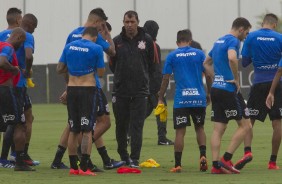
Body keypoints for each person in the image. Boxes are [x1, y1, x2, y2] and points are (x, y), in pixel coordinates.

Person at [51, 8, 124, 171]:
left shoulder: (72, 36)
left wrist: (68, 87)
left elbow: (63, 65)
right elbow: (112, 52)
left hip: (73, 86)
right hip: (91, 88)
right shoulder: (95, 39)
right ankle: (83, 156)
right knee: (101, 123)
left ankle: (59, 160)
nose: (102, 27)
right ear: (98, 23)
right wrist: (107, 34)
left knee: (74, 125)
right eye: (102, 25)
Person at [157, 29, 211, 173]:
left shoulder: (172, 56)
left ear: (177, 42)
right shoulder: (199, 54)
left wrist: (160, 97)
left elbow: (166, 78)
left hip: (181, 100)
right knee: (199, 128)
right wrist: (209, 93)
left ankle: (178, 164)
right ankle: (203, 156)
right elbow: (209, 75)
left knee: (180, 132)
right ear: (191, 41)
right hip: (198, 98)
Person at [203, 17, 252, 174]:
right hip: (228, 89)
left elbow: (205, 63)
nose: (246, 36)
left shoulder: (218, 41)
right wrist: (236, 79)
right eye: (246, 33)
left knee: (219, 129)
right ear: (241, 29)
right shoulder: (234, 41)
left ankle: (216, 166)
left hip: (216, 89)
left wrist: (217, 77)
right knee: (246, 126)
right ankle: (226, 158)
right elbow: (232, 57)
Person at [235, 13, 282, 170]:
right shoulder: (280, 38)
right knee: (277, 123)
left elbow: (245, 61)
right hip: (277, 85)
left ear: (263, 23)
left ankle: (247, 152)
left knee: (249, 121)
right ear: (274, 25)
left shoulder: (252, 36)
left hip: (259, 83)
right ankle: (272, 162)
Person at [109, 10, 155, 168]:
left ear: (138, 22)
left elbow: (151, 64)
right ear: (123, 23)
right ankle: (124, 156)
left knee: (137, 126)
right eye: (126, 22)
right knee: (121, 125)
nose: (129, 25)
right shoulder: (116, 40)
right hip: (120, 91)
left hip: (140, 91)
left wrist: (146, 82)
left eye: (132, 22)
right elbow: (112, 65)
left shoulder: (147, 40)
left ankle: (134, 159)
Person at [57, 26, 105, 176]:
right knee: (87, 130)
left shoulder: (69, 46)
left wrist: (72, 71)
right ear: (95, 37)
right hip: (87, 90)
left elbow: (59, 69)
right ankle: (84, 168)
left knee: (73, 129)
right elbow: (102, 73)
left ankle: (73, 168)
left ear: (83, 35)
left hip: (72, 89)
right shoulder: (96, 48)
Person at [0, 12, 39, 167]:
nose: (34, 31)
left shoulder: (2, 35)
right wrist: (25, 71)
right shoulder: (26, 35)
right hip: (16, 85)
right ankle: (15, 155)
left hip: (6, 85)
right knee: (17, 121)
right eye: (34, 27)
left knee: (25, 117)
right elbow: (29, 56)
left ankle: (18, 154)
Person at [142, 20, 173, 146]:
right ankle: (162, 137)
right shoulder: (154, 45)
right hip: (154, 84)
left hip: (143, 83)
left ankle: (128, 133)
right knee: (162, 109)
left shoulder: (141, 44)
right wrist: (160, 88)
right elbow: (155, 67)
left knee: (145, 111)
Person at [0, 7, 23, 169]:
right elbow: (2, 62)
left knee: (3, 124)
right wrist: (14, 69)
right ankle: (4, 159)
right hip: (5, 91)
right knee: (13, 122)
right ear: (19, 37)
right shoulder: (8, 47)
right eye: (21, 41)